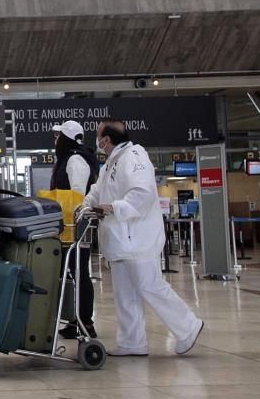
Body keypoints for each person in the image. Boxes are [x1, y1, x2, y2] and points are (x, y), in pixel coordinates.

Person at [83, 119, 204, 356]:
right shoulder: (110, 163)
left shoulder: (134, 156)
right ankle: (132, 342)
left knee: (150, 286)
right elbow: (98, 190)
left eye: (98, 136)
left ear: (106, 140)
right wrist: (85, 204)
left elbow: (143, 192)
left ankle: (189, 326)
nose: (96, 141)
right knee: (125, 295)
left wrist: (114, 208)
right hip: (119, 242)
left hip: (137, 240)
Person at [49, 120, 100, 339]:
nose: (55, 140)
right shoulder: (67, 158)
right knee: (68, 273)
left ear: (67, 138)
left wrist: (71, 219)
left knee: (79, 273)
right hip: (68, 227)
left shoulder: (76, 160)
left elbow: (78, 194)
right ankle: (73, 319)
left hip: (75, 225)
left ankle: (86, 322)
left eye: (58, 136)